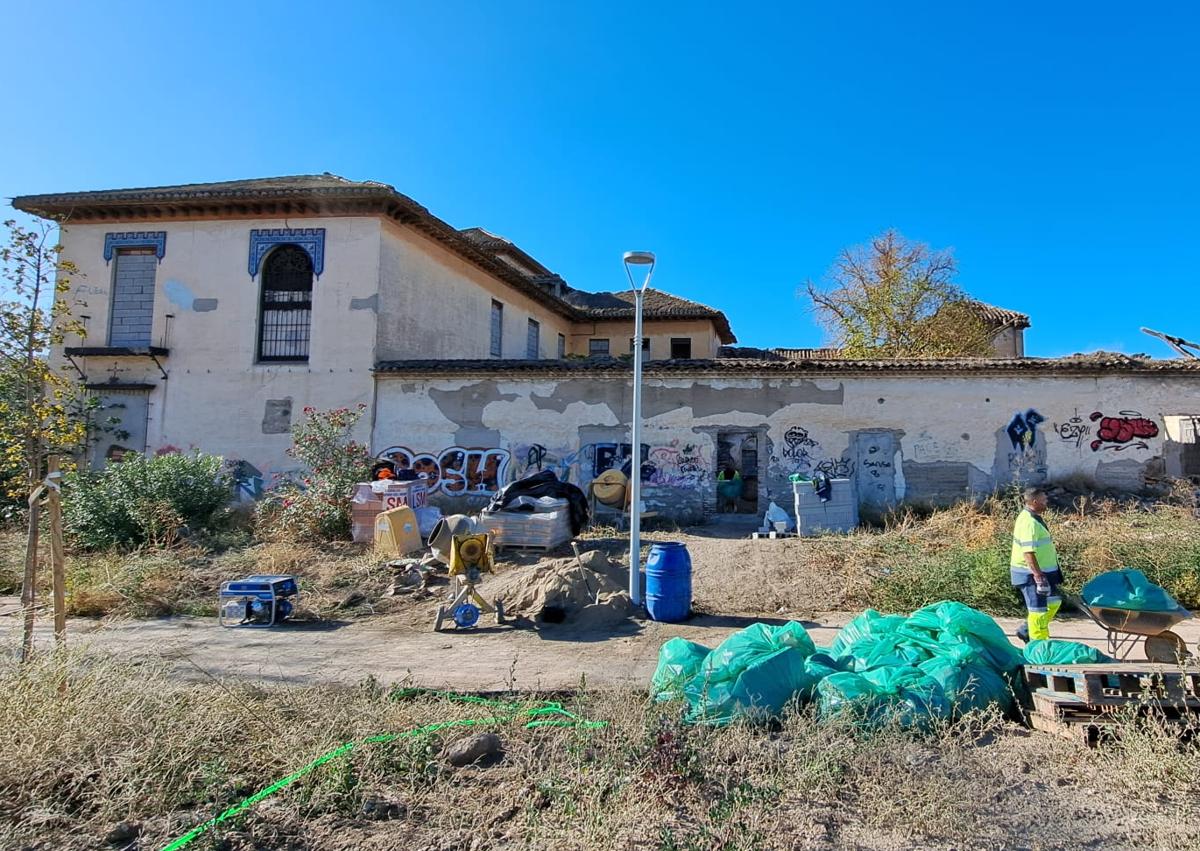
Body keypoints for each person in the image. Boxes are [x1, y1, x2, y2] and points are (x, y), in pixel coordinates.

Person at [1010, 486, 1063, 643]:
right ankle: (1039, 647)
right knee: (1038, 611)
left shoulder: (1034, 517)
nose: (1046, 502)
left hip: (1045, 573)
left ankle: (1026, 630)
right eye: (1043, 500)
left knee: (1054, 602)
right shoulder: (1028, 523)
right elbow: (1028, 553)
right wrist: (1038, 576)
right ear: (1034, 502)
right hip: (1031, 574)